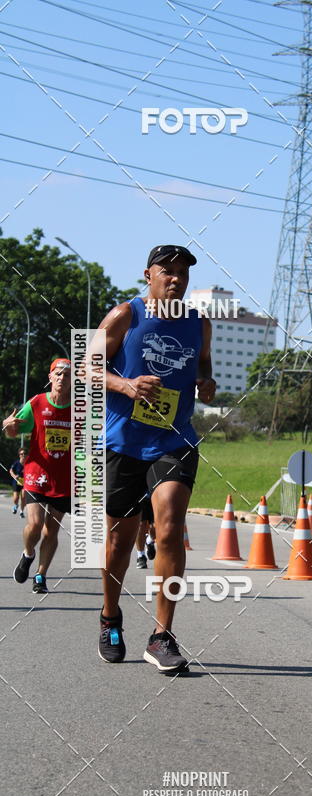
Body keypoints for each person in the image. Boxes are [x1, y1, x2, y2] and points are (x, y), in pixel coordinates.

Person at [95, 244, 215, 673]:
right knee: (119, 542)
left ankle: (162, 636)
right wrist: (126, 387)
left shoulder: (199, 324)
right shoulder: (125, 316)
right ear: (148, 274)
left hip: (174, 438)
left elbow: (203, 364)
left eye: (183, 272)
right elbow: (87, 364)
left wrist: (206, 381)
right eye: (168, 271)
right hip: (124, 440)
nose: (176, 278)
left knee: (169, 529)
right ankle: (110, 617)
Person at [2, 358, 72, 593]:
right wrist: (8, 424)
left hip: (64, 479)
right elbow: (13, 431)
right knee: (35, 524)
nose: (62, 378)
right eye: (58, 374)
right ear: (50, 378)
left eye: (67, 375)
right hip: (36, 474)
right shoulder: (37, 403)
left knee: (51, 530)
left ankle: (41, 575)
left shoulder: (80, 409)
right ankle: (28, 553)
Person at [135, 494, 156, 569]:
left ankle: (149, 541)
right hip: (140, 496)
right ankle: (141, 556)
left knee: (156, 527)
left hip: (155, 495)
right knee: (141, 525)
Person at [9, 447, 27, 517]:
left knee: (23, 497)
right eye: (21, 454)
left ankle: (21, 512)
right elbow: (11, 471)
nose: (23, 455)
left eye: (24, 454)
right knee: (16, 498)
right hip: (17, 482)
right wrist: (14, 476)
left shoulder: (28, 463)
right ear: (19, 455)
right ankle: (16, 505)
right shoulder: (16, 463)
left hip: (25, 483)